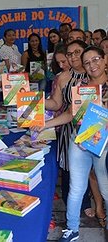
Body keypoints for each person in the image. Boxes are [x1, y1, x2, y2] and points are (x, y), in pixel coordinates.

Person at [57, 46, 108, 242]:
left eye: (95, 59)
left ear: (104, 60)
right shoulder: (83, 89)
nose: (92, 65)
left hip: (103, 145)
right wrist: (43, 123)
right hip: (79, 142)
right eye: (87, 62)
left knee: (105, 189)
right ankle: (72, 229)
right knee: (76, 187)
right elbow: (70, 115)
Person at [44, 40, 93, 217]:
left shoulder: (94, 75)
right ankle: (71, 209)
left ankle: (88, 202)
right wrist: (35, 100)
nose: (72, 57)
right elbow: (57, 104)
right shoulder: (63, 77)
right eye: (70, 54)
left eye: (77, 53)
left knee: (94, 172)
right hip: (68, 130)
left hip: (94, 131)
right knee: (69, 169)